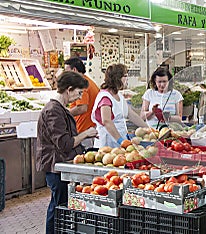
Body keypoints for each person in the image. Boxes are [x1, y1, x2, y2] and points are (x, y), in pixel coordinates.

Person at [36, 71, 98, 234]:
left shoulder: (60, 109)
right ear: (69, 89)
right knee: (58, 206)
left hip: (62, 166)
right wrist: (86, 134)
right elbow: (65, 144)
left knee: (61, 205)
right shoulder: (53, 111)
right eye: (79, 92)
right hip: (56, 168)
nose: (79, 97)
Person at [91, 64, 147, 148]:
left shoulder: (119, 95)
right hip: (107, 143)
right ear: (117, 78)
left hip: (120, 141)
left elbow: (132, 115)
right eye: (125, 76)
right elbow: (106, 121)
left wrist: (148, 129)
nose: (127, 78)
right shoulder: (105, 97)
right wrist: (120, 141)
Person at [64, 58, 100, 147]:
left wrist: (65, 113)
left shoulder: (81, 84)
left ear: (74, 70)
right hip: (89, 129)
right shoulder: (87, 81)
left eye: (66, 71)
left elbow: (82, 108)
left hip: (84, 131)